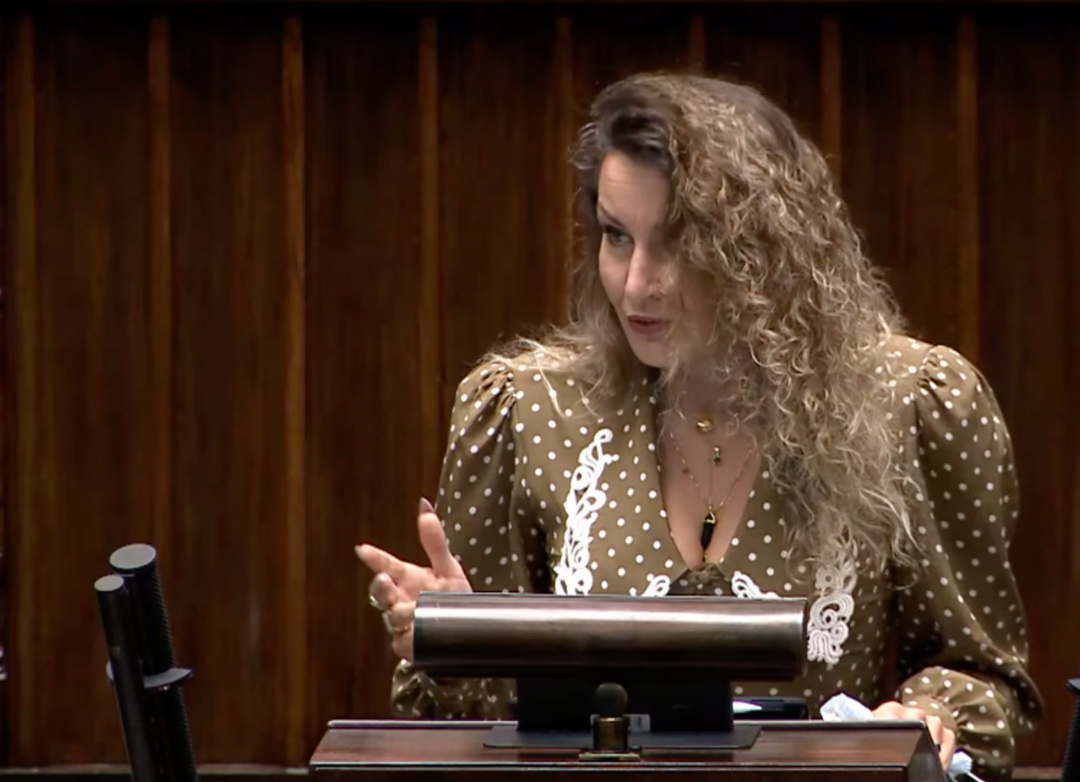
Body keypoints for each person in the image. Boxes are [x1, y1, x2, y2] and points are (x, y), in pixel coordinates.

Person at [355, 72, 1043, 778]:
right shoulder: (529, 409)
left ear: (765, 250)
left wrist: (927, 716)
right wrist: (460, 639)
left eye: (676, 244)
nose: (635, 284)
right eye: (617, 237)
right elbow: (467, 728)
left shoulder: (909, 404)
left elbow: (983, 676)